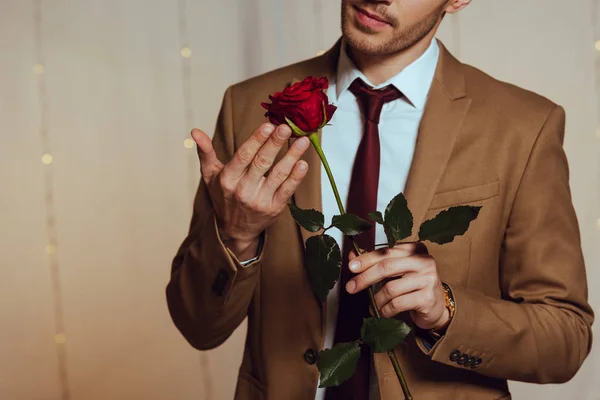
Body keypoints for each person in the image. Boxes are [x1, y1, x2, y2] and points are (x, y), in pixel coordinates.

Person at [166, 0, 594, 399]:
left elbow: (565, 339)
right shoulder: (249, 105)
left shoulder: (523, 126)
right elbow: (197, 326)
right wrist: (236, 236)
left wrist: (446, 311)